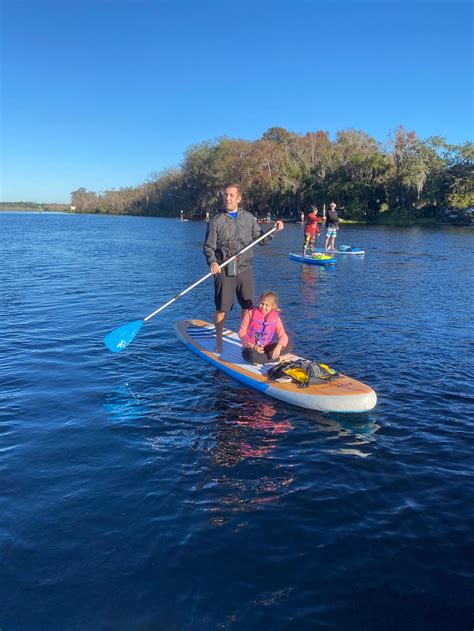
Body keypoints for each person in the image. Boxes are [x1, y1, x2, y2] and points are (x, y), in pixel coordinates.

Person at [204, 183, 284, 352]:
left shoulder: (248, 218)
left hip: (245, 268)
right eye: (226, 195)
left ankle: (245, 340)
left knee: (247, 308)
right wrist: (212, 262)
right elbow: (208, 247)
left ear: (239, 198)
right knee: (222, 308)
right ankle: (219, 340)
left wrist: (274, 230)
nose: (227, 198)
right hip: (224, 270)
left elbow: (261, 240)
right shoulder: (216, 221)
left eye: (231, 195)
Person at [239, 291, 291, 365]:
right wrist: (254, 346)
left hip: (265, 348)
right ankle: (278, 358)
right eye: (262, 303)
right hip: (250, 348)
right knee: (251, 356)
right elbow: (242, 333)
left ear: (272, 306)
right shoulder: (250, 313)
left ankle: (261, 359)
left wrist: (278, 347)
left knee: (288, 346)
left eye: (267, 305)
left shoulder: (275, 318)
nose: (263, 307)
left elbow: (283, 335)